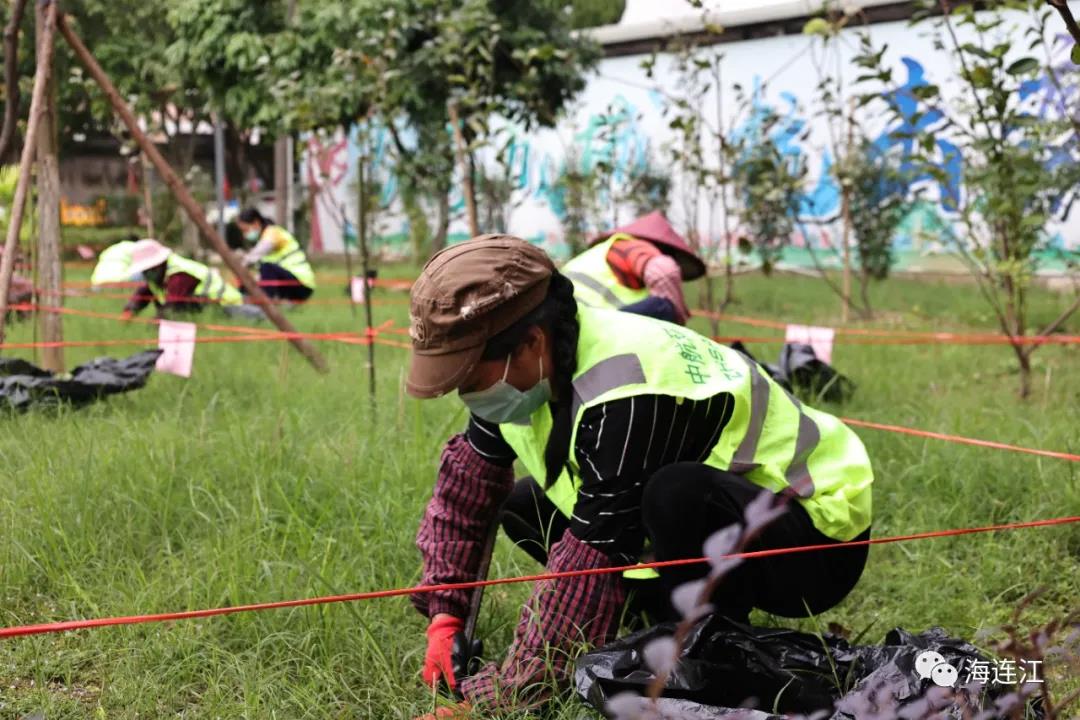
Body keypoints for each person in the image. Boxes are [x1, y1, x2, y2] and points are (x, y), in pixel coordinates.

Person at [405, 235, 873, 713]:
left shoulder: (625, 388)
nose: (468, 394)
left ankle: (712, 646)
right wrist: (445, 616)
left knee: (674, 493)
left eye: (470, 378)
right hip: (721, 523)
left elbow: (590, 555)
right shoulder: (520, 372)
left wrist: (502, 697)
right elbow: (466, 493)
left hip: (814, 537)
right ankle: (655, 616)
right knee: (525, 507)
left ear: (531, 343)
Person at [561, 210, 705, 325]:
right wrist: (679, 319)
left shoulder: (598, 253)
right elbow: (665, 272)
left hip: (567, 326)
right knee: (663, 306)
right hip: (590, 325)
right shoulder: (630, 245)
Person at [122, 239, 243, 319]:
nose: (146, 273)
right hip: (209, 309)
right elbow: (145, 292)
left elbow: (171, 308)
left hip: (227, 305)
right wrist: (130, 310)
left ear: (158, 264)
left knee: (259, 317)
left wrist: (152, 329)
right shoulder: (159, 275)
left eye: (148, 268)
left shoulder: (179, 274)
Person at [235, 208, 316, 303]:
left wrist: (240, 266)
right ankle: (241, 302)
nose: (245, 234)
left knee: (267, 267)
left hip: (302, 285)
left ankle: (266, 306)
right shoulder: (263, 236)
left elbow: (254, 256)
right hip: (289, 282)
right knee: (250, 282)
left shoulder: (273, 233)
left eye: (245, 230)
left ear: (256, 223)